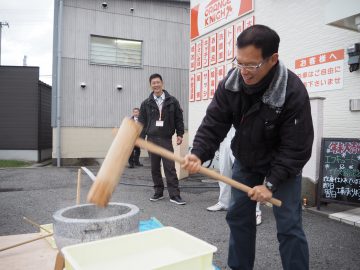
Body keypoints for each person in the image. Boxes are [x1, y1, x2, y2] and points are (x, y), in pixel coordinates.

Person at [183, 25, 314, 270]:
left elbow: (296, 146)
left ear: (273, 59)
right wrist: (198, 152)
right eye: (239, 62)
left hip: (283, 166)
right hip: (247, 158)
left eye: (252, 65)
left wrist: (271, 184)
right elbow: (214, 122)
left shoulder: (292, 91)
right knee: (238, 218)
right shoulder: (230, 84)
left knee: (289, 226)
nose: (244, 71)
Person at [139, 73, 186, 205]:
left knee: (169, 167)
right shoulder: (146, 103)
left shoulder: (172, 101)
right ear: (150, 85)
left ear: (162, 83)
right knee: (154, 167)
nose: (156, 85)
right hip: (152, 139)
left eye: (158, 82)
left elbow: (179, 119)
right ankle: (158, 192)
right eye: (153, 83)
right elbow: (141, 122)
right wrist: (141, 138)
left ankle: (174, 195)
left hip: (166, 139)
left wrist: (180, 134)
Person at [207, 126, 262, 226]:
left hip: (242, 131)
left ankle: (255, 211)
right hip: (226, 132)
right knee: (224, 172)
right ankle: (224, 202)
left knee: (248, 175)